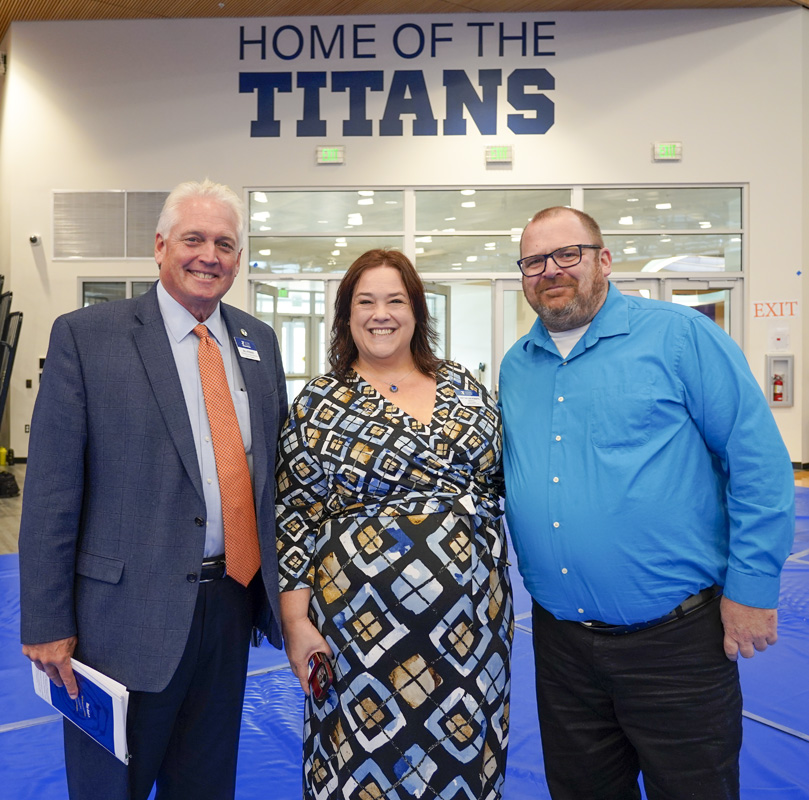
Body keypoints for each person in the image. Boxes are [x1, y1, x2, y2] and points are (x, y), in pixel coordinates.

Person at [499, 206, 795, 800]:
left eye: (567, 255)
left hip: (675, 646)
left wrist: (753, 586)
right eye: (534, 261)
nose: (550, 270)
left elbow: (757, 462)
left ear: (603, 260)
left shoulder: (679, 336)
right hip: (561, 647)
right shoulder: (516, 367)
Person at [19, 179, 288, 799]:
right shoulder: (88, 338)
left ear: (239, 260)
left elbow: (269, 472)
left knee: (206, 783)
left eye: (225, 243)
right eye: (193, 239)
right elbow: (53, 493)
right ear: (161, 246)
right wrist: (46, 620)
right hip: (121, 619)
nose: (209, 256)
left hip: (229, 606)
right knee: (111, 787)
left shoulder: (257, 343)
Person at [276, 249, 513, 800]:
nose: (381, 314)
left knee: (463, 756)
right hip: (362, 635)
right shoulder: (318, 403)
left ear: (416, 312)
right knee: (363, 761)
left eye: (395, 300)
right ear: (346, 315)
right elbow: (294, 516)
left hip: (471, 630)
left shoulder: (464, 386)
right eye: (366, 302)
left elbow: (505, 481)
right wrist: (295, 623)